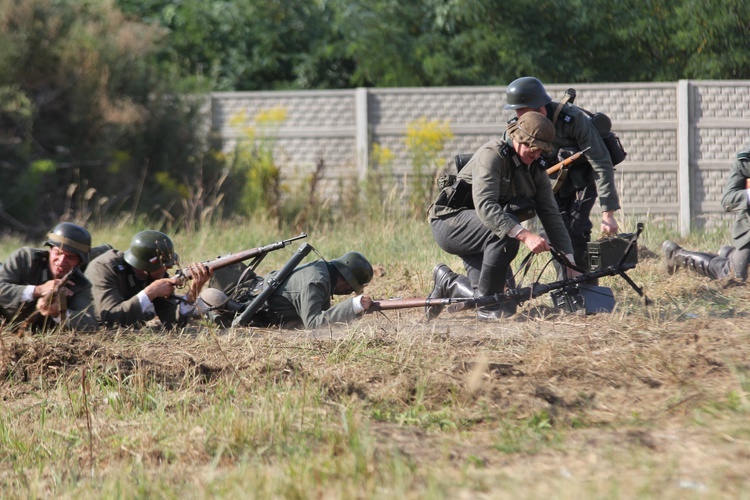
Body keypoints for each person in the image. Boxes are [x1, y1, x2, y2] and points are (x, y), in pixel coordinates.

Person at [428, 111, 578, 320]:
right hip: (451, 224)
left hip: (484, 233)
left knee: (507, 307)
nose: (536, 155)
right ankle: (487, 309)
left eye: (541, 151)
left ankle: (449, 283)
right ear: (518, 138)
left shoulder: (535, 169)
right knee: (509, 233)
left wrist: (569, 262)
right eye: (533, 149)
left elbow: (551, 215)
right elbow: (486, 205)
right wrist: (525, 235)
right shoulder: (493, 154)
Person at [504, 76, 622, 270]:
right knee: (553, 232)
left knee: (578, 229)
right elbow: (507, 162)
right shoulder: (517, 127)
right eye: (518, 115)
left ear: (540, 109)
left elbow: (601, 161)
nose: (520, 121)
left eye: (524, 115)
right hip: (548, 185)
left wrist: (608, 212)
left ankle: (586, 280)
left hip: (580, 181)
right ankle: (566, 284)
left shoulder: (572, 119)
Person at [198, 251, 374, 330]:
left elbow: (324, 312)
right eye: (351, 289)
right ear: (346, 280)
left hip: (255, 287)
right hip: (251, 305)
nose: (349, 292)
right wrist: (353, 306)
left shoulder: (321, 270)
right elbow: (314, 323)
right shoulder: (316, 282)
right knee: (213, 312)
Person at [85, 230, 212, 328]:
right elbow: (110, 319)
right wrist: (150, 293)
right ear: (148, 266)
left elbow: (173, 322)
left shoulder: (156, 274)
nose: (169, 267)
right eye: (165, 265)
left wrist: (194, 290)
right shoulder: (104, 268)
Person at [663, 148, 750, 280]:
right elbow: (728, 200)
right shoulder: (745, 162)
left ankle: (728, 253)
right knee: (733, 276)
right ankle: (676, 255)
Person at [0, 222, 97, 331]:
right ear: (50, 250)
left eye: (70, 257)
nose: (61, 261)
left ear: (79, 262)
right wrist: (37, 290)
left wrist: (59, 313)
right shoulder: (25, 259)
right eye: (58, 253)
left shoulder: (81, 285)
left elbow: (90, 324)